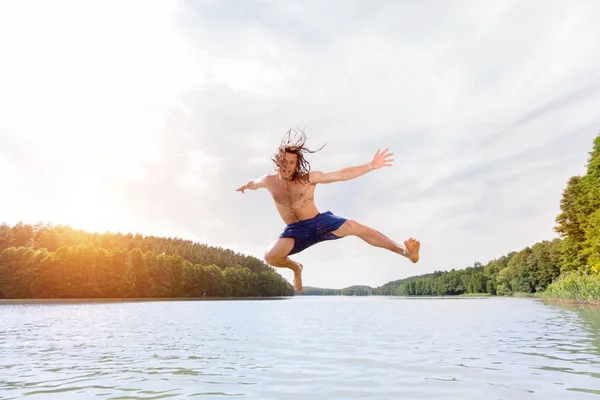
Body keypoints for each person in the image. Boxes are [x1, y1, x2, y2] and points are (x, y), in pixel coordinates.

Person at [235, 129, 420, 292]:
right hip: (295, 231)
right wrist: (244, 185)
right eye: (284, 160)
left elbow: (340, 175)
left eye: (292, 162)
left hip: (318, 222)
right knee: (270, 257)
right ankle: (296, 268)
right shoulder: (269, 181)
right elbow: (255, 183)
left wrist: (370, 165)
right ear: (278, 160)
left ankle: (404, 251)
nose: (287, 165)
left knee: (354, 226)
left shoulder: (308, 179)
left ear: (297, 164)